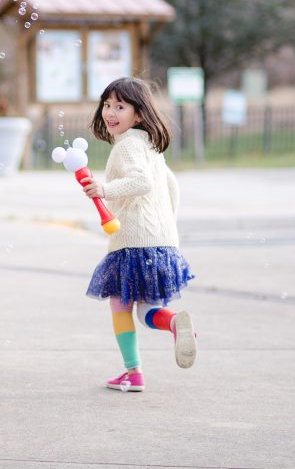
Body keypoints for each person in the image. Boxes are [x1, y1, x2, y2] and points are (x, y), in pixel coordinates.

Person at [80, 76, 196, 393]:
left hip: (132, 242)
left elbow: (140, 182)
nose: (110, 112)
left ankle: (134, 372)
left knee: (120, 308)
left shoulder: (127, 146)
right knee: (147, 310)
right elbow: (172, 188)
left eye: (120, 106)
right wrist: (167, 231)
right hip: (161, 241)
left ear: (139, 114)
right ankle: (173, 322)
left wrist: (104, 189)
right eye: (107, 104)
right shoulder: (151, 148)